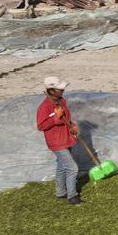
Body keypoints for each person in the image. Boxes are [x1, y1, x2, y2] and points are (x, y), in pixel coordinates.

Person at [35, 76, 82, 206]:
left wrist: (72, 125)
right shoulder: (44, 107)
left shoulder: (61, 101)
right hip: (56, 142)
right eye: (59, 89)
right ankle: (72, 196)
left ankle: (60, 192)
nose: (62, 91)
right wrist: (55, 118)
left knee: (62, 166)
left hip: (67, 138)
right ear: (51, 90)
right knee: (72, 168)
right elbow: (40, 126)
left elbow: (66, 118)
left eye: (62, 89)